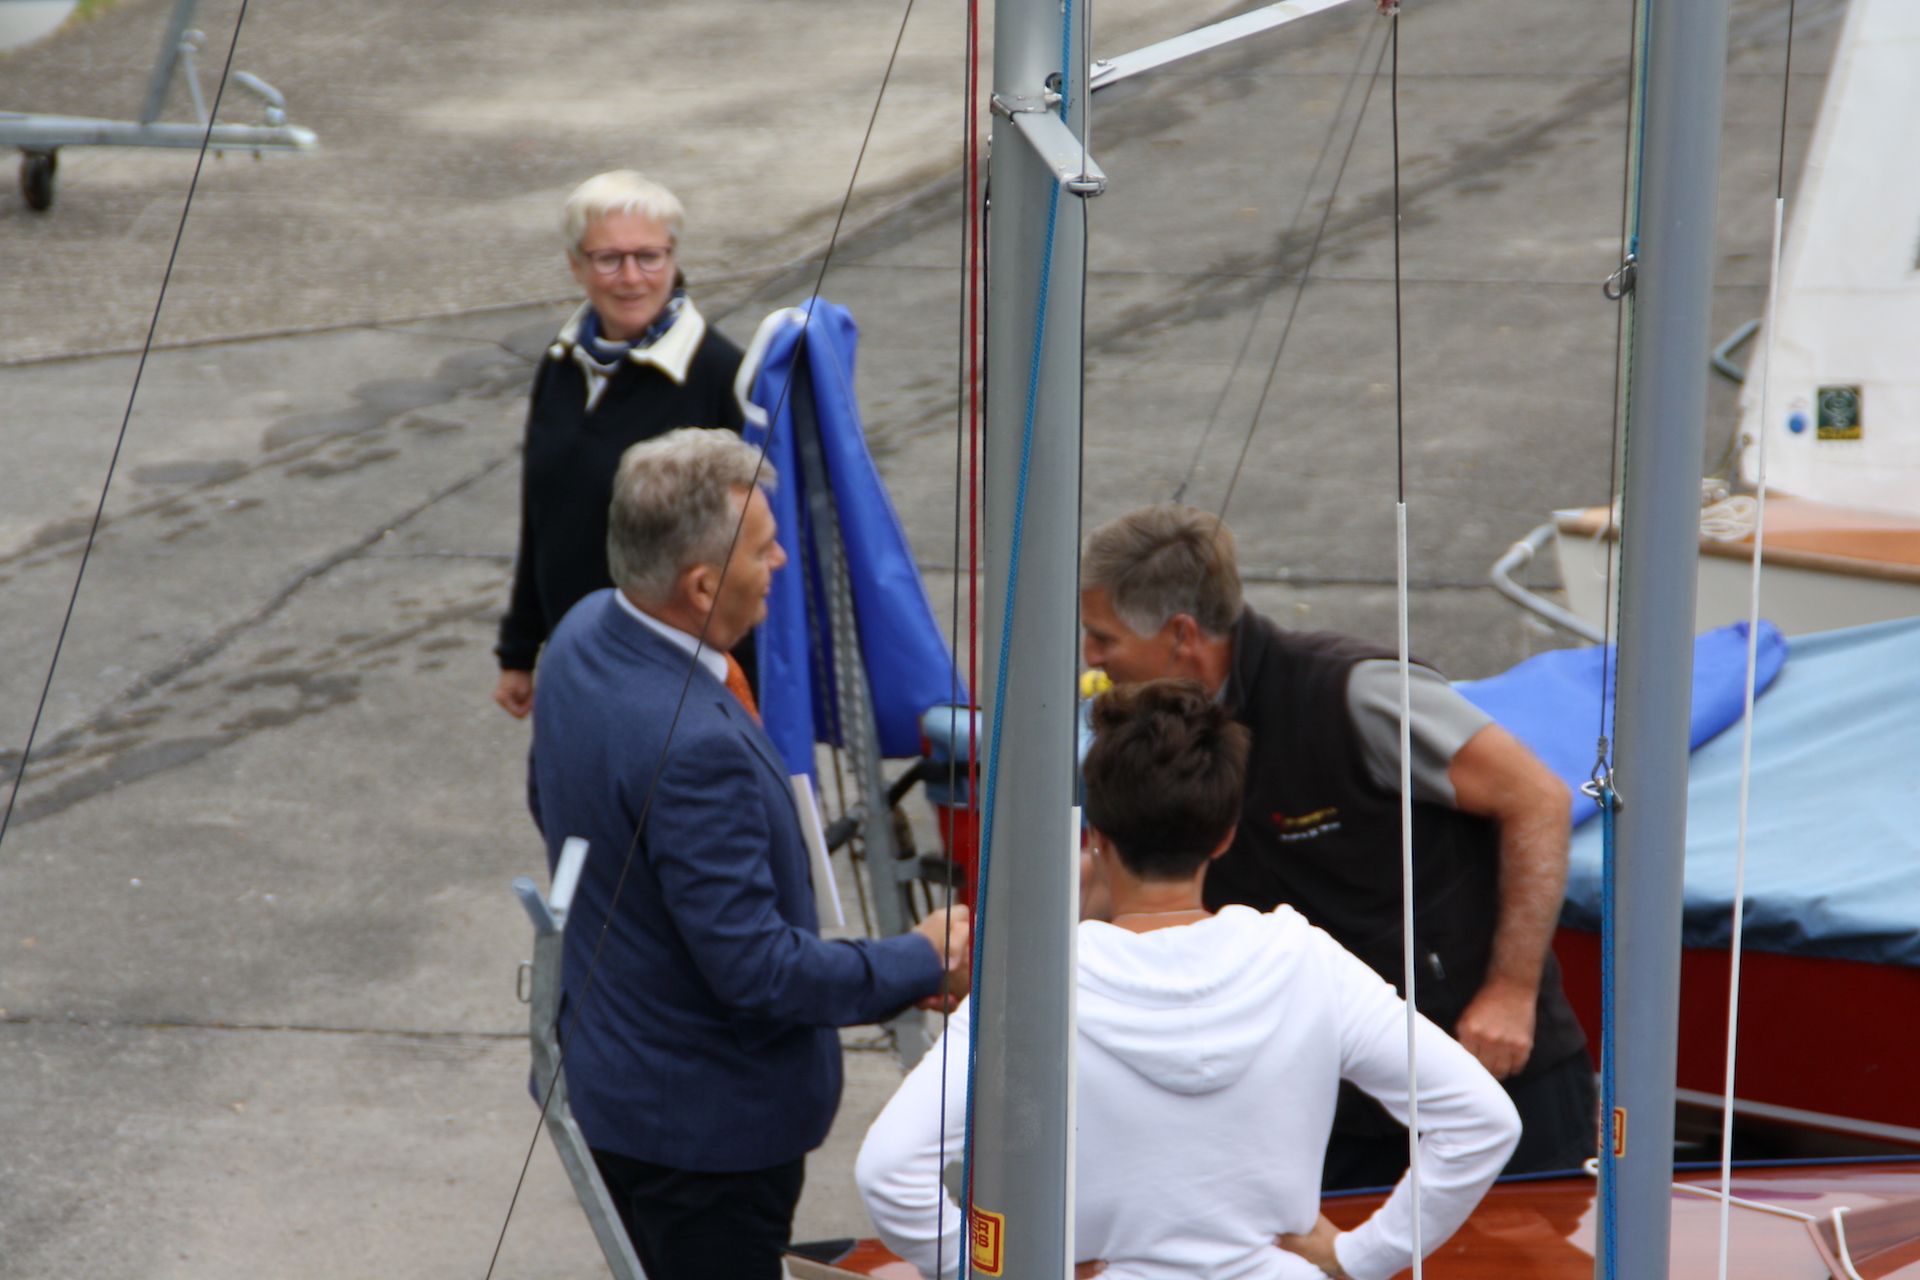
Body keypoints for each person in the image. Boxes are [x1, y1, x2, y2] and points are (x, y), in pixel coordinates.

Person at [856, 680, 1519, 1280]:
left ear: (1096, 838)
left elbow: (890, 1170)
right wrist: (1360, 1257)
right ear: (1225, 836)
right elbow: (1481, 1121)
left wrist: (1002, 1271)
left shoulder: (1034, 987)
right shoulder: (1308, 961)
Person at [527, 428, 970, 1280]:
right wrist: (919, 958)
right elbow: (758, 972)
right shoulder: (696, 748)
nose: (781, 564)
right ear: (700, 585)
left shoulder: (582, 632)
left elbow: (551, 802)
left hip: (616, 1086)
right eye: (763, 549)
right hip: (706, 1147)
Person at [1079, 505, 1592, 1188]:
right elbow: (1120, 876)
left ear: (1181, 634)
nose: (1091, 658)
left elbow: (1537, 799)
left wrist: (1511, 991)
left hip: (1490, 1073)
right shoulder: (1152, 732)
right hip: (1329, 1110)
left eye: (1102, 637)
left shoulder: (1354, 692)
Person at [494, 170, 748, 718]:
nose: (631, 277)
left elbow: (753, 555)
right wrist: (519, 650)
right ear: (576, 265)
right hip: (577, 663)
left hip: (677, 685)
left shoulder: (722, 377)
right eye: (608, 258)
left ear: (673, 257)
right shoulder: (562, 364)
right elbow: (542, 517)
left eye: (649, 256)